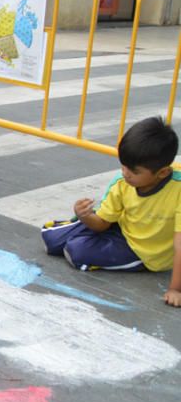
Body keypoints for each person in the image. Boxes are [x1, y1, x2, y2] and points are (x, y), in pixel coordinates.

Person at [41, 117, 181, 308]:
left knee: (77, 252)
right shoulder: (123, 182)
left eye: (133, 170)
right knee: (51, 239)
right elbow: (102, 223)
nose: (125, 172)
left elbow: (180, 245)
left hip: (145, 253)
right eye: (122, 165)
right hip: (120, 228)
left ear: (163, 173)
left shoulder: (178, 191)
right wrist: (84, 216)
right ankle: (74, 228)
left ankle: (82, 240)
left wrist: (175, 289)